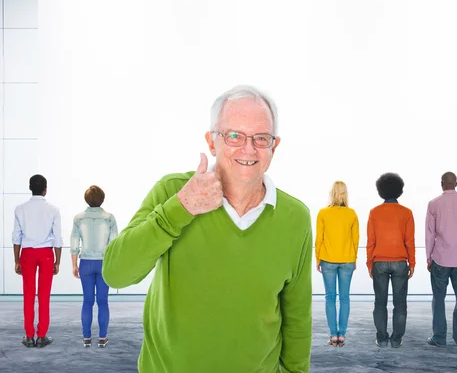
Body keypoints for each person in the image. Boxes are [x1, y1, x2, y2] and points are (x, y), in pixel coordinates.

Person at [102, 85, 312, 372]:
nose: (248, 149)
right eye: (234, 136)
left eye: (261, 138)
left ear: (273, 147)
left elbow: (297, 316)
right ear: (212, 142)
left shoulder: (295, 217)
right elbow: (116, 273)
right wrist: (181, 208)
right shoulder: (173, 192)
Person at [12, 174, 62, 348]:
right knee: (44, 296)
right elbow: (57, 238)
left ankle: (29, 336)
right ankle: (42, 336)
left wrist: (16, 260)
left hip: (27, 254)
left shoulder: (20, 209)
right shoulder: (53, 209)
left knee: (28, 295)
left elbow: (16, 236)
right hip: (46, 254)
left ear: (30, 188)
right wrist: (58, 261)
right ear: (45, 189)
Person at [425, 171, 457, 347]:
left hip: (440, 258)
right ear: (456, 183)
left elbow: (430, 234)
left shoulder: (433, 204)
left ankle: (439, 337)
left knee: (438, 299)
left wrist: (428, 257)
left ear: (441, 184)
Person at [366, 173, 415, 349]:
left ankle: (382, 338)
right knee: (400, 304)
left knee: (380, 303)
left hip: (379, 262)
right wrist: (412, 263)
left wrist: (369, 263)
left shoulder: (374, 212)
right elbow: (409, 241)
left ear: (381, 190)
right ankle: (396, 340)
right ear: (399, 190)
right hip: (400, 263)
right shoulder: (407, 213)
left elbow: (371, 241)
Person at [70, 185, 119, 348]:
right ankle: (103, 338)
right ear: (102, 199)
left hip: (86, 263)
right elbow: (114, 244)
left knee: (87, 301)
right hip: (104, 263)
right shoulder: (109, 218)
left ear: (86, 200)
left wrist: (74, 265)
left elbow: (74, 242)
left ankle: (86, 338)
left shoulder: (78, 218)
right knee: (103, 302)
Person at [315, 181, 359, 348]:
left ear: (331, 193)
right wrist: (354, 258)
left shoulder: (323, 213)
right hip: (347, 259)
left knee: (330, 298)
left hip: (328, 260)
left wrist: (318, 259)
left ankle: (333, 335)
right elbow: (355, 239)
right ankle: (342, 335)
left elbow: (320, 238)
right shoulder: (352, 214)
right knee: (345, 298)